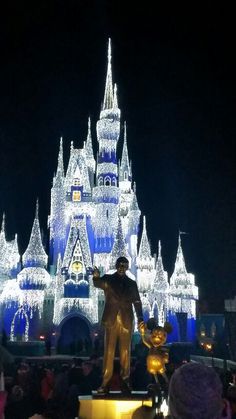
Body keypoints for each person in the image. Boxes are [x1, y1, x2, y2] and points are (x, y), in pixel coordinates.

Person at [93, 256, 143, 394]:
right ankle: (105, 382)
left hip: (126, 320)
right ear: (116, 266)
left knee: (125, 351)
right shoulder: (108, 279)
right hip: (111, 319)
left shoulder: (132, 283)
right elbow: (98, 283)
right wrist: (96, 276)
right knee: (108, 351)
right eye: (120, 265)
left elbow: (137, 302)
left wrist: (140, 318)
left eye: (125, 265)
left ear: (127, 267)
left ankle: (125, 381)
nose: (122, 268)